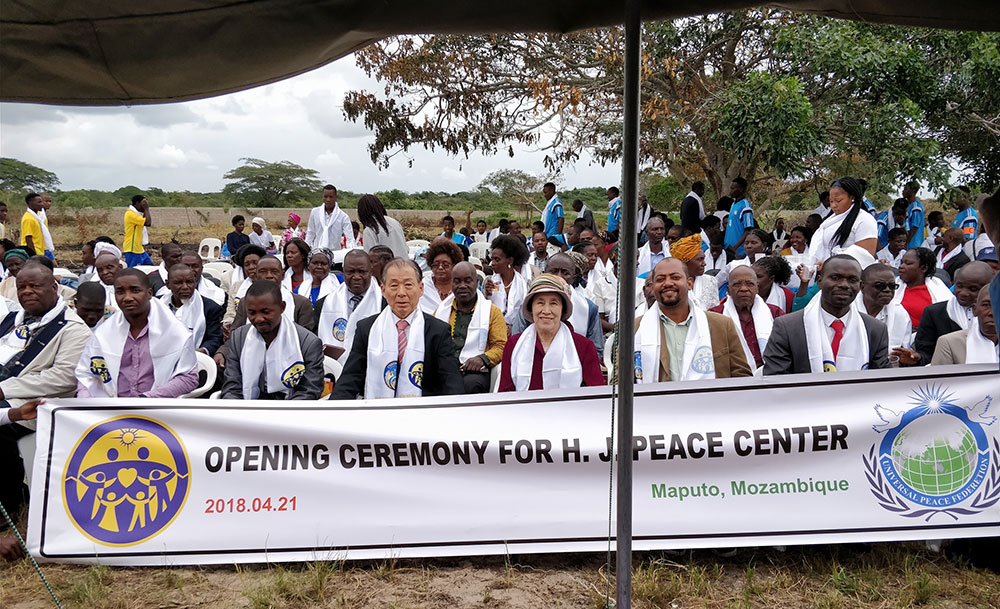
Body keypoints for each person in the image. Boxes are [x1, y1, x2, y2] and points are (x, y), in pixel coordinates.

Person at [0, 261, 92, 515]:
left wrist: (4, 389)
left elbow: (63, 378)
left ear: (55, 287)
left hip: (36, 403)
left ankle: (9, 503)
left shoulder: (73, 329)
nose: (27, 291)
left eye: (34, 286)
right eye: (21, 287)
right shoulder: (12, 320)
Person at [332, 258, 464, 399]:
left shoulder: (438, 330)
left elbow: (451, 381)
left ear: (421, 289)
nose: (401, 293)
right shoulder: (367, 328)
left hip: (424, 412)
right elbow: (351, 377)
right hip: (378, 412)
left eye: (408, 285)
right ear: (383, 290)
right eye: (394, 286)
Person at [76, 268, 198, 398]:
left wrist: (147, 398)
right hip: (110, 410)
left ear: (149, 293)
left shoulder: (175, 332)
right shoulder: (104, 333)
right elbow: (86, 376)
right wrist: (86, 403)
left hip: (155, 408)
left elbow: (188, 377)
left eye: (135, 290)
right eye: (120, 292)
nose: (127, 298)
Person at [763, 255, 890, 375]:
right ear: (820, 281)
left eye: (852, 280)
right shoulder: (787, 327)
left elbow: (881, 385)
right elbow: (776, 381)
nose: (844, 285)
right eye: (835, 278)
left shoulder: (876, 330)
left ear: (861, 286)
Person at [633, 258, 750, 382]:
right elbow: (620, 382)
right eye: (660, 279)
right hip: (653, 401)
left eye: (675, 277)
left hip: (713, 400)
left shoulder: (722, 326)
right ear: (652, 286)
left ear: (690, 283)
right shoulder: (634, 329)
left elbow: (742, 377)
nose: (667, 283)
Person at [220, 281, 324, 400]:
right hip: (248, 409)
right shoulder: (239, 338)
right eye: (252, 313)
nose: (258, 319)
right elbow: (232, 387)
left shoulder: (308, 343)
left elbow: (309, 391)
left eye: (265, 312)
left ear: (282, 307)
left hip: (290, 410)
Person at [498, 274, 603, 391]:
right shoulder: (514, 344)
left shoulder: (583, 346)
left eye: (554, 303)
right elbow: (505, 392)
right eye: (540, 303)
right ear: (531, 308)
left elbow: (595, 393)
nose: (546, 311)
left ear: (562, 309)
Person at [218, 255, 314, 368]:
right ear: (256, 276)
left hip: (289, 362)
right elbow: (235, 336)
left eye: (274, 271)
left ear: (282, 275)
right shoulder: (245, 302)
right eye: (263, 272)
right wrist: (221, 352)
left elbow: (305, 342)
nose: (269, 276)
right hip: (250, 358)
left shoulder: (301, 303)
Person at [432, 262, 506, 393]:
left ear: (477, 283)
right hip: (444, 368)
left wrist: (483, 359)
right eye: (457, 281)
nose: (462, 286)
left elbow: (501, 346)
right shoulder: (441, 311)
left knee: (469, 385)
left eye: (468, 281)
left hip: (474, 371)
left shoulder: (492, 312)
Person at [512, 252, 603, 357]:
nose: (559, 277)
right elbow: (517, 342)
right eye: (553, 272)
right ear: (544, 273)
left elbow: (596, 350)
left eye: (565, 273)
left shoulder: (588, 308)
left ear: (574, 277)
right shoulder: (530, 304)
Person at [900, 262, 993, 366]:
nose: (963, 293)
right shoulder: (934, 313)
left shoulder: (993, 315)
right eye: (959, 286)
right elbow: (926, 354)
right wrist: (918, 358)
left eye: (973, 289)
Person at [709, 265, 783, 370]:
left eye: (750, 284)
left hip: (769, 376)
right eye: (737, 284)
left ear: (757, 288)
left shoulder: (775, 314)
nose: (743, 289)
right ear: (728, 290)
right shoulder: (714, 316)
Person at [317, 249, 384, 362]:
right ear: (343, 271)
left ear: (371, 271)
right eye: (350, 272)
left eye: (362, 272)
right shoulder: (324, 304)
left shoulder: (384, 304)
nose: (356, 276)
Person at [807, 177, 878, 262]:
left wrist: (830, 264)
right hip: (826, 272)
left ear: (852, 197)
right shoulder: (829, 221)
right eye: (831, 201)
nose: (833, 205)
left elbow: (865, 257)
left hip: (849, 272)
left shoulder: (864, 220)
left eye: (838, 200)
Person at [162, 263, 223, 356]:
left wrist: (203, 350)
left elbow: (215, 338)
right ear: (168, 284)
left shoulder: (210, 308)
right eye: (178, 283)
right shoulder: (157, 305)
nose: (185, 287)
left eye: (189, 282)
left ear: (195, 282)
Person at [855, 263, 912, 356]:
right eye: (880, 286)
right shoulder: (848, 309)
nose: (887, 290)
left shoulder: (900, 313)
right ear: (862, 286)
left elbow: (904, 350)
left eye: (892, 286)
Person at [931, 286, 997, 366]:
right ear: (975, 310)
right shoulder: (949, 344)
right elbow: (939, 378)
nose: (992, 313)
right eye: (986, 305)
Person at [894, 247, 953, 329]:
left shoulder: (938, 289)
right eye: (901, 263)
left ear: (924, 268)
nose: (901, 266)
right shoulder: (892, 286)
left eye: (908, 263)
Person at [486, 234, 529, 328]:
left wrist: (513, 327)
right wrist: (488, 295)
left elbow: (524, 311)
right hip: (494, 327)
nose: (492, 263)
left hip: (518, 328)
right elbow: (486, 310)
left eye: (497, 260)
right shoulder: (490, 281)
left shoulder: (522, 283)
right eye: (492, 259)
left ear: (510, 260)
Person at [672, 234, 719, 310]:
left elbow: (715, 310)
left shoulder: (710, 281)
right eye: (699, 260)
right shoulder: (672, 283)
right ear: (685, 262)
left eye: (703, 259)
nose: (704, 264)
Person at [224, 244, 266, 324]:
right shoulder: (236, 287)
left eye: (255, 263)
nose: (251, 267)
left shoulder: (272, 286)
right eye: (247, 264)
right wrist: (228, 323)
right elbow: (230, 313)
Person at [420, 238, 463, 314]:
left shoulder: (463, 285)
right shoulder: (423, 287)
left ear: (454, 265)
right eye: (436, 265)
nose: (440, 267)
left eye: (445, 265)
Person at [306, 184, 355, 250]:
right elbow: (310, 233)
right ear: (322, 197)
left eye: (331, 197)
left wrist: (352, 251)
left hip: (335, 254)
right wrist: (305, 250)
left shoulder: (343, 217)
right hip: (317, 253)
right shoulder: (315, 212)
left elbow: (350, 238)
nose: (328, 199)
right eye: (325, 197)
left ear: (336, 197)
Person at [358, 193, 408, 258]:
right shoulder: (394, 222)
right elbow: (406, 248)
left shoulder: (370, 230)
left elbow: (370, 257)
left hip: (387, 266)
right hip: (405, 264)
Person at [724, 177, 755, 256]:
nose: (730, 191)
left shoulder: (745, 206)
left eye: (733, 188)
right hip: (728, 249)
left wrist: (735, 248)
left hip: (738, 251)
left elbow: (748, 230)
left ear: (741, 189)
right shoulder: (734, 204)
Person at [20, 193, 54, 261]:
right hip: (34, 252)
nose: (42, 204)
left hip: (40, 250)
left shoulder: (36, 217)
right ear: (30, 203)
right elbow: (28, 238)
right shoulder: (29, 218)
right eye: (39, 202)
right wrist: (33, 255)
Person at [123, 194, 153, 267]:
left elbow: (145, 220)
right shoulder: (130, 214)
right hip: (132, 248)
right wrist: (146, 208)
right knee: (132, 271)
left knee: (150, 266)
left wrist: (145, 209)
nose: (144, 205)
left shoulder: (136, 214)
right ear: (137, 203)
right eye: (143, 204)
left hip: (138, 248)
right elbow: (148, 223)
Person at [902, 181, 925, 250]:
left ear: (913, 191)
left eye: (906, 189)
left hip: (914, 244)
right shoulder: (908, 206)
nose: (903, 191)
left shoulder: (916, 207)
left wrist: (906, 242)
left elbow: (914, 227)